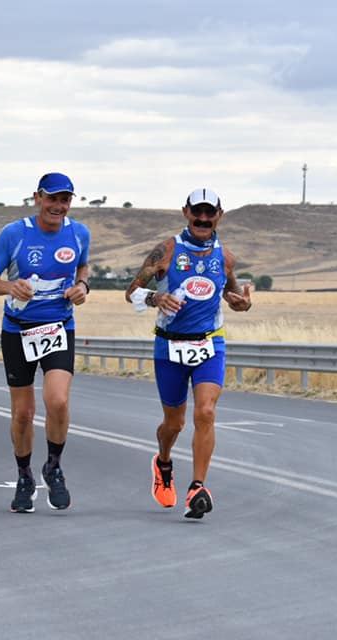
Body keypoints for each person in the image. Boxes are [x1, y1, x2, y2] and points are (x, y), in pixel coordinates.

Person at [125, 188, 252, 519]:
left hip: (210, 344)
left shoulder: (225, 257)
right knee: (175, 422)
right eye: (198, 212)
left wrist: (243, 303)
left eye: (210, 213)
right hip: (170, 345)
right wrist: (156, 299)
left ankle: (198, 487)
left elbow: (233, 294)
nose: (203, 219)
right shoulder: (166, 250)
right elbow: (133, 292)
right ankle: (163, 462)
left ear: (220, 216)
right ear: (186, 212)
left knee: (205, 413)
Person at [0, 172, 91, 513]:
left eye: (65, 200)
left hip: (58, 327)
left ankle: (53, 466)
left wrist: (83, 288)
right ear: (37, 198)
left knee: (57, 401)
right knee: (24, 413)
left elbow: (83, 268)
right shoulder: (14, 234)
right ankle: (25, 475)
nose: (58, 206)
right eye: (52, 198)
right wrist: (10, 287)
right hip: (17, 331)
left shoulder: (79, 233)